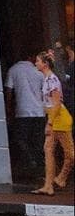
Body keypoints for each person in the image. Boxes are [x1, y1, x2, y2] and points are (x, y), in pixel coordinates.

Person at [33, 50, 73, 196]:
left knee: (69, 153)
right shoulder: (46, 79)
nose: (36, 63)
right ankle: (48, 185)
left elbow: (56, 104)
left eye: (38, 61)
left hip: (59, 119)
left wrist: (49, 123)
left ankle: (61, 177)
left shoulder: (52, 80)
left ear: (45, 64)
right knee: (48, 150)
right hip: (53, 117)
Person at [4, 49, 46, 183]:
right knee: (38, 141)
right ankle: (39, 169)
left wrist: (8, 108)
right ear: (31, 57)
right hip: (40, 112)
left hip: (23, 112)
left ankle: (30, 159)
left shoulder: (13, 70)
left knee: (20, 139)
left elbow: (9, 91)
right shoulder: (39, 71)